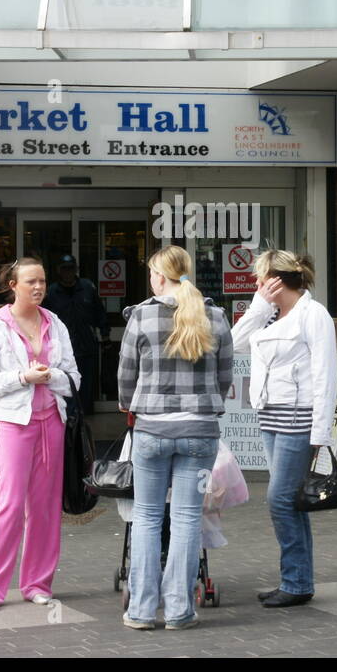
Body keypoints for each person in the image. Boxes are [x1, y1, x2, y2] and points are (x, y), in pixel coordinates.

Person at [117, 245, 232, 630]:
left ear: (158, 277)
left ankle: (142, 611)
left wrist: (127, 406)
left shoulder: (141, 317)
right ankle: (180, 610)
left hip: (151, 431)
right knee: (186, 519)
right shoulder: (214, 316)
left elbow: (125, 376)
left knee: (147, 517)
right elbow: (225, 377)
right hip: (200, 433)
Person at [0, 258, 79, 611]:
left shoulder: (55, 323)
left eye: (42, 281)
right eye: (31, 281)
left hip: (52, 422)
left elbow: (73, 377)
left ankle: (37, 583)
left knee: (45, 508)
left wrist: (50, 377)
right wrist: (22, 378)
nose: (39, 287)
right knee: (10, 505)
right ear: (12, 285)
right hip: (15, 424)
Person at [231, 250, 336, 608]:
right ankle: (298, 581)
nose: (257, 285)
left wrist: (320, 436)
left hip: (298, 420)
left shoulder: (313, 314)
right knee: (291, 503)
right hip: (271, 417)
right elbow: (232, 343)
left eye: (262, 279)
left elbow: (324, 376)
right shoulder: (270, 314)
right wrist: (259, 307)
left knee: (279, 500)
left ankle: (295, 581)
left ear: (277, 279)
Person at [43, 254, 109, 414]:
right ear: (59, 270)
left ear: (76, 269)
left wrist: (105, 334)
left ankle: (85, 415)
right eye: (64, 269)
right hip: (63, 348)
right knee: (66, 382)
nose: (68, 272)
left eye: (71, 269)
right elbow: (44, 319)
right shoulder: (52, 292)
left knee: (86, 383)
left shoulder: (87, 288)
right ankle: (69, 415)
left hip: (86, 345)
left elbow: (99, 312)